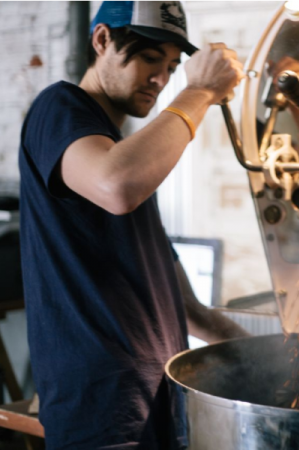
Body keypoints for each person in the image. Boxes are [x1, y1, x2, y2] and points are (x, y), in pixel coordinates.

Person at [18, 0, 250, 448]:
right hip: (102, 411)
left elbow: (187, 307)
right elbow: (117, 184)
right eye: (149, 58)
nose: (162, 79)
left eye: (172, 65)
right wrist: (199, 91)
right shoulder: (59, 108)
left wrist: (266, 356)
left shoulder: (126, 155)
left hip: (156, 405)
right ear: (103, 39)